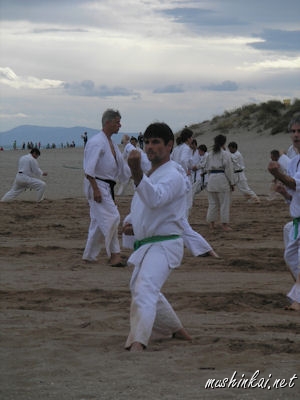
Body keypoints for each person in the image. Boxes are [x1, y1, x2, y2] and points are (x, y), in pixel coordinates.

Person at [122, 122, 192, 351]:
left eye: (156, 142)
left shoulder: (172, 175)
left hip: (165, 244)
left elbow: (155, 199)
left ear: (169, 145)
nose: (150, 147)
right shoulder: (153, 173)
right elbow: (146, 207)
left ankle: (138, 341)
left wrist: (136, 173)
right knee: (140, 286)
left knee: (145, 288)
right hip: (149, 243)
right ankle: (176, 330)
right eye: (147, 142)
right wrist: (134, 224)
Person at [82, 109, 130, 267]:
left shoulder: (111, 143)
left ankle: (89, 255)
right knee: (112, 217)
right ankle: (115, 255)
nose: (120, 125)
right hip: (97, 184)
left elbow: (121, 167)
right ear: (108, 122)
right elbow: (89, 170)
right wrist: (95, 189)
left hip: (106, 185)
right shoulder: (96, 142)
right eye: (117, 122)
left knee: (97, 222)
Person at [268, 116, 300, 311]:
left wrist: (277, 175)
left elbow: (297, 184)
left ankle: (297, 301)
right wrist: (284, 194)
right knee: (291, 257)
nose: (296, 135)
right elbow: (295, 194)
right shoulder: (295, 161)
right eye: (294, 131)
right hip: (296, 221)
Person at [205, 134, 235, 231]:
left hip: (211, 179)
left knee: (212, 203)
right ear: (224, 142)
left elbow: (207, 168)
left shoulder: (210, 154)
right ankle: (224, 224)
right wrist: (232, 182)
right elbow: (229, 169)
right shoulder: (225, 154)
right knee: (224, 203)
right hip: (221, 179)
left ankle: (211, 224)